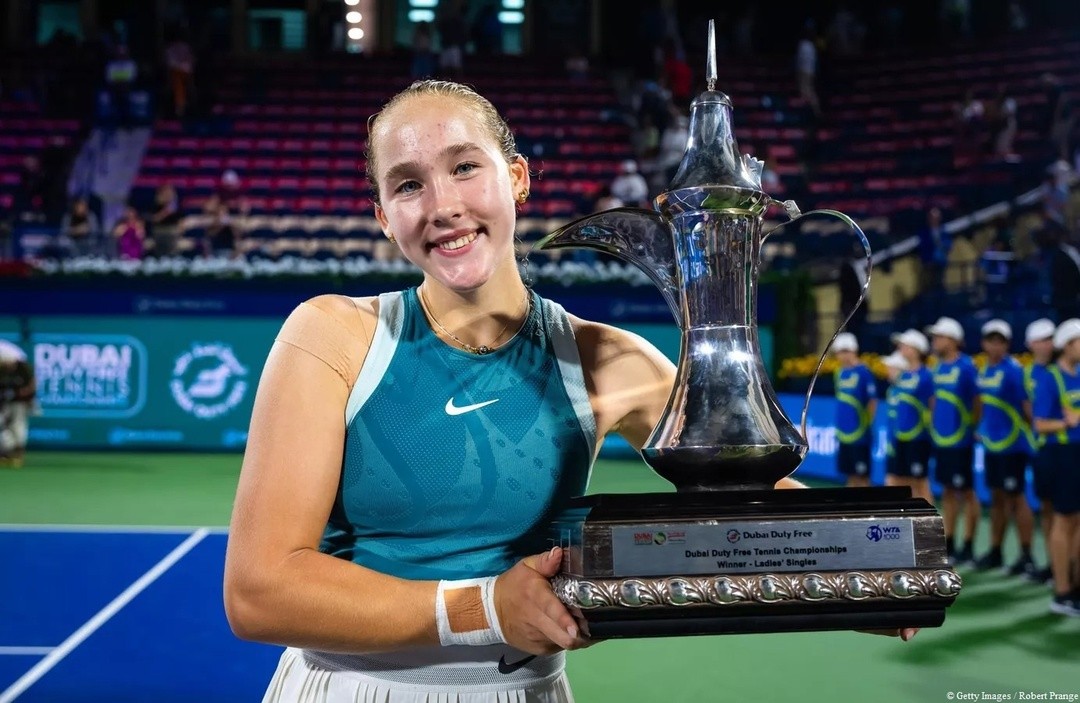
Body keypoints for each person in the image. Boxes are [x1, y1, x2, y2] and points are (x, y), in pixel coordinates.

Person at [222, 79, 915, 703]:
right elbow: (258, 591)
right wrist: (485, 609)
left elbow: (749, 497)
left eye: (465, 167)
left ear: (517, 177)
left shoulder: (604, 359)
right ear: (382, 216)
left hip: (527, 691)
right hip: (350, 689)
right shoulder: (333, 336)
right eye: (407, 186)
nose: (443, 206)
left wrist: (869, 561)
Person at [973, 320, 1036, 576]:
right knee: (997, 498)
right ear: (984, 343)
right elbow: (984, 406)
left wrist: (1034, 434)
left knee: (1017, 498)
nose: (995, 346)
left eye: (1000, 341)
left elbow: (1027, 408)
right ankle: (996, 551)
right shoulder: (985, 370)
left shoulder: (1014, 371)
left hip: (1014, 446)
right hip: (993, 447)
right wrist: (981, 428)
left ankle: (1027, 555)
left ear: (1007, 344)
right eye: (991, 340)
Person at [1031, 319, 1080, 616]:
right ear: (1067, 345)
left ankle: (1075, 584)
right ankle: (1061, 592)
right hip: (1060, 455)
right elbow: (1039, 424)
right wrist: (1066, 422)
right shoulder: (1051, 378)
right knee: (1064, 520)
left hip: (1076, 453)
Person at [926, 316, 981, 566]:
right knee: (947, 491)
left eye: (939, 337)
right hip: (943, 441)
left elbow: (977, 402)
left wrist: (972, 427)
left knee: (967, 492)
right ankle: (949, 542)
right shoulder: (937, 368)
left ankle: (968, 545)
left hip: (961, 442)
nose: (935, 341)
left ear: (954, 340)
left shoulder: (967, 367)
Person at [1024, 318, 1058, 584]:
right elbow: (1027, 411)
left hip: (1067, 450)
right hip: (1042, 452)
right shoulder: (1027, 374)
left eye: (1049, 339)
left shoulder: (1066, 370)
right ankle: (1054, 563)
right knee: (1047, 509)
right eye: (1040, 340)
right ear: (1030, 344)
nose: (1046, 344)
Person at [887, 329, 935, 505]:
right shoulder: (903, 376)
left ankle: (930, 519)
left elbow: (933, 406)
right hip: (901, 437)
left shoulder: (926, 376)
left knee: (920, 483)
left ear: (917, 350)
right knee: (901, 482)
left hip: (919, 438)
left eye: (905, 345)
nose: (901, 348)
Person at [832, 332, 877, 487]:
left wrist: (865, 426)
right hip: (844, 434)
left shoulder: (864, 372)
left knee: (862, 477)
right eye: (840, 352)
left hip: (860, 435)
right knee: (849, 475)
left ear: (854, 351)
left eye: (846, 351)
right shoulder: (839, 373)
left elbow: (872, 401)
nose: (843, 356)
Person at [0, 340, 35, 469]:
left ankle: (17, 454)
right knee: (3, 427)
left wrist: (27, 397)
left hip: (19, 402)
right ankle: (6, 453)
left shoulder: (21, 367)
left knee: (18, 425)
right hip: (5, 401)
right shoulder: (4, 370)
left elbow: (31, 385)